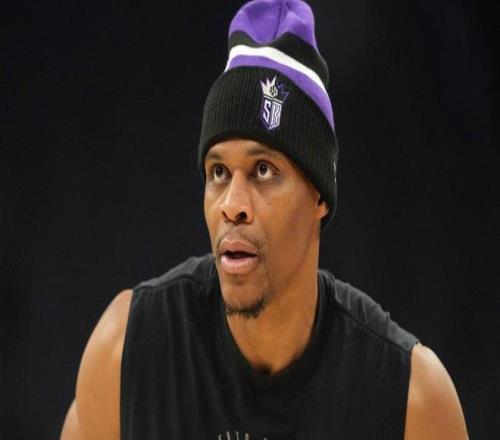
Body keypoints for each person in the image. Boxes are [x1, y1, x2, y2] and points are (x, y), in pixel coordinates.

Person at [60, 0, 469, 438]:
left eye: (263, 170)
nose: (232, 205)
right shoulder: (125, 352)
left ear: (319, 195)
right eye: (219, 172)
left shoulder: (411, 399)